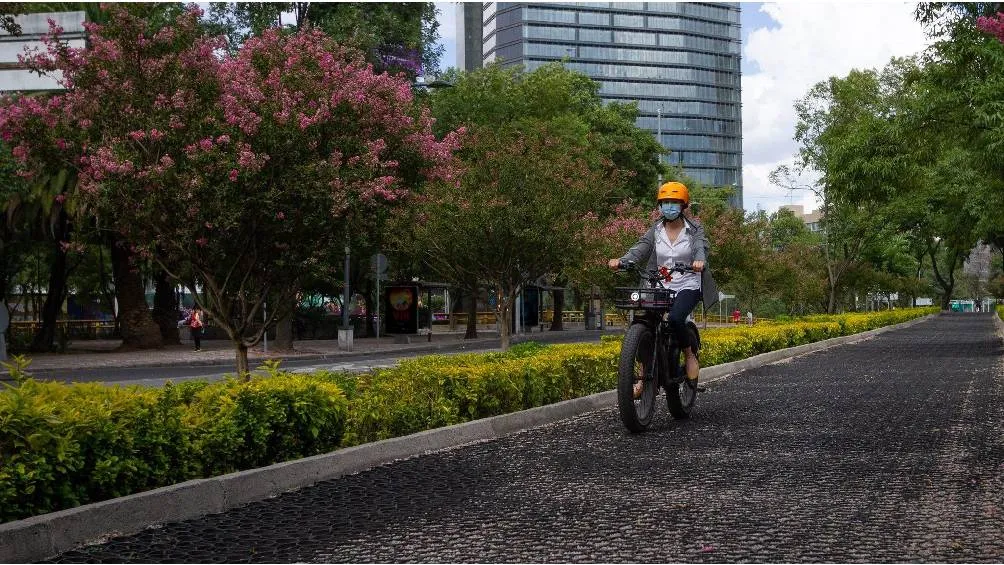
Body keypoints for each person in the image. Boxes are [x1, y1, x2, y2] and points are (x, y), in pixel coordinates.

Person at [608, 181, 717, 397]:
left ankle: (689, 355)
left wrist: (699, 260)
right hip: (659, 284)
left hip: (687, 284)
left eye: (674, 203)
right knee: (642, 320)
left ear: (683, 206)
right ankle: (642, 372)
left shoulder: (694, 229)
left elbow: (700, 247)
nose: (669, 207)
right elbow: (640, 249)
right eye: (665, 203)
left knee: (676, 319)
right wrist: (622, 260)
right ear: (659, 206)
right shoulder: (656, 229)